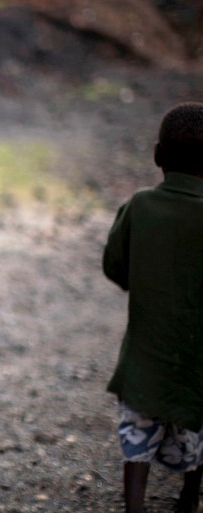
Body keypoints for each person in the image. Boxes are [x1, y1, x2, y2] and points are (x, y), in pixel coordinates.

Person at [103, 102, 203, 513]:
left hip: (145, 362)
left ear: (158, 156)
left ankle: (135, 504)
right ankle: (188, 495)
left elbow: (114, 265)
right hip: (198, 365)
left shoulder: (140, 207)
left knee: (137, 437)